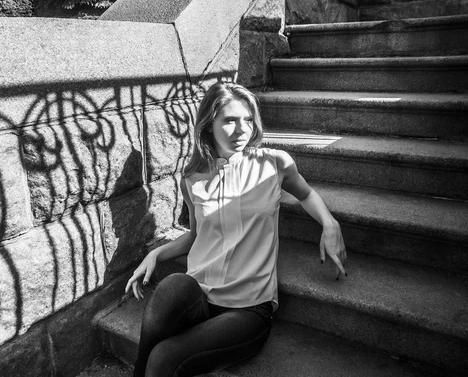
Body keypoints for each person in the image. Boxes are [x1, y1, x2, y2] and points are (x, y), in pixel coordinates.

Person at [125, 82, 347, 377]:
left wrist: (330, 224)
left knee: (163, 359)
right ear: (208, 125)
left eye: (247, 119)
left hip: (247, 311)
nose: (242, 129)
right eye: (229, 120)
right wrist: (156, 254)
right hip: (201, 297)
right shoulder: (193, 178)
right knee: (172, 286)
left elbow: (306, 195)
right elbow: (196, 234)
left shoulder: (274, 163)